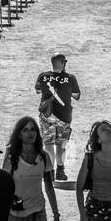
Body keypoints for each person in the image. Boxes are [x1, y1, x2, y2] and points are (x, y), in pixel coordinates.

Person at [34, 51, 81, 181]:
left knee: (48, 144)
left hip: (47, 115)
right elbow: (77, 96)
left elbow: (38, 90)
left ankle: (50, 172)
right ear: (62, 63)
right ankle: (60, 170)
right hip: (64, 116)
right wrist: (66, 91)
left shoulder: (43, 76)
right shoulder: (70, 78)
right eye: (64, 61)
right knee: (61, 144)